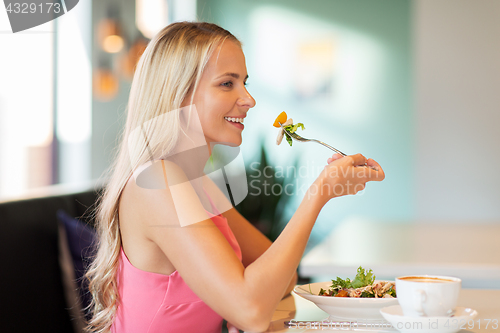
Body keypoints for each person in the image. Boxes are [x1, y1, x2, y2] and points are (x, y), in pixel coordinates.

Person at [85, 21, 385, 333]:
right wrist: (318, 194)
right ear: (179, 93)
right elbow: (251, 313)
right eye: (227, 84)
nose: (248, 99)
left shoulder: (196, 182)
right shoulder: (156, 181)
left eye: (244, 82)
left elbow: (284, 280)